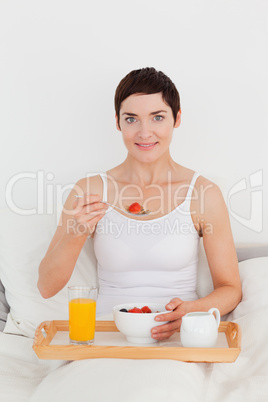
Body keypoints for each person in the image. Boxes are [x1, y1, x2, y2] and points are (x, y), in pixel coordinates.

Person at [38, 67, 242, 341]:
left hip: (177, 336)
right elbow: (46, 287)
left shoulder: (203, 193)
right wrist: (76, 232)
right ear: (118, 122)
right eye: (131, 119)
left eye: (157, 117)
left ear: (176, 118)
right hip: (108, 335)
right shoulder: (91, 190)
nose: (144, 132)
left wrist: (193, 311)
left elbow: (230, 287)